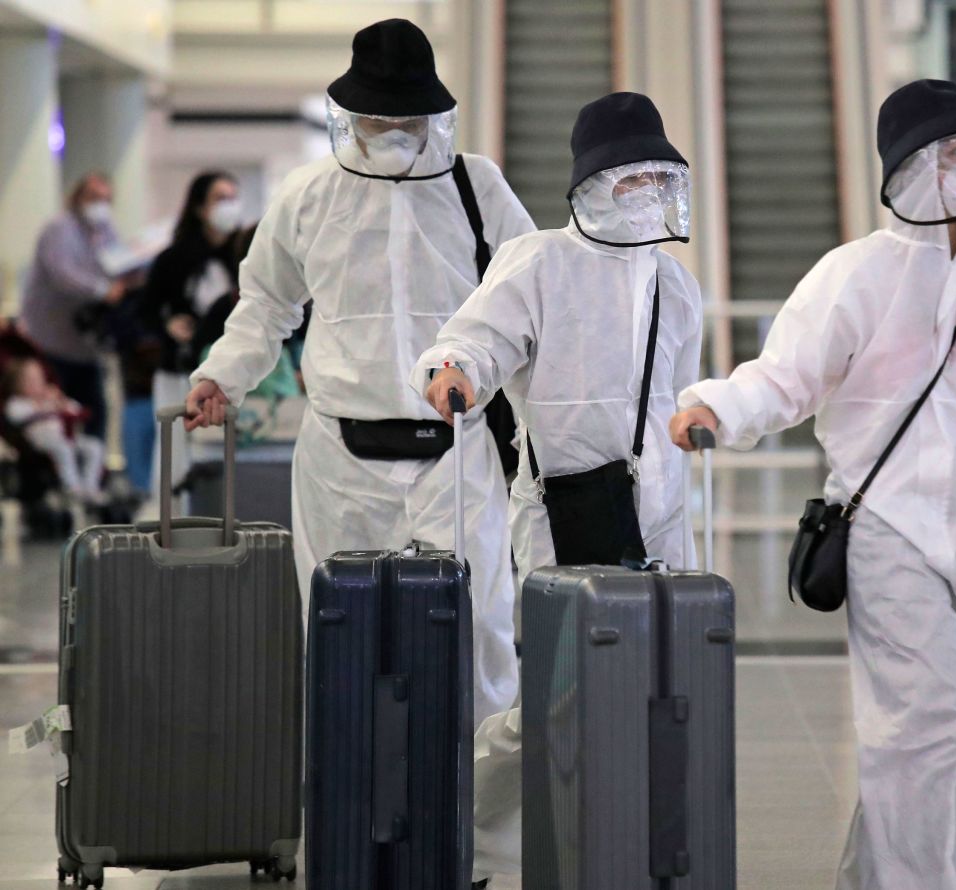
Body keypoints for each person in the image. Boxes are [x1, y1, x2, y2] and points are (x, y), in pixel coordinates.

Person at [669, 79, 956, 890]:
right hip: (886, 529)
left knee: (950, 733)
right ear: (915, 169)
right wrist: (714, 408)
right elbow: (786, 376)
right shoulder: (854, 276)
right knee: (922, 732)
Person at [183, 19, 534, 740]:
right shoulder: (310, 193)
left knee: (479, 631)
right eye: (378, 116)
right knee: (339, 633)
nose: (392, 130)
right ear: (352, 113)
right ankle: (345, 814)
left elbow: (524, 300)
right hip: (341, 455)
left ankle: (482, 829)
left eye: (406, 117)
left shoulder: (478, 186)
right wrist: (224, 376)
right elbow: (268, 303)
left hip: (456, 452)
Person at [419, 91, 703, 886]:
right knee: (559, 700)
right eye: (630, 178)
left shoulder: (676, 286)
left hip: (662, 518)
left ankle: (631, 848)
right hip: (561, 515)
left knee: (659, 693)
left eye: (658, 177)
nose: (647, 192)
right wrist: (455, 375)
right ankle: (465, 810)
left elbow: (676, 402)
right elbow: (472, 339)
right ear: (590, 184)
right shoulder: (539, 262)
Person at [141, 170, 243, 502]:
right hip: (179, 369)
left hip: (226, 371)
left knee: (224, 451)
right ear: (200, 208)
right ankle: (172, 525)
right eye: (220, 198)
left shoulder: (243, 258)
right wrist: (168, 325)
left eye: (233, 198)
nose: (229, 206)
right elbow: (145, 311)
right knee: (175, 449)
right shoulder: (173, 259)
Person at [20, 172, 131, 459]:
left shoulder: (105, 230)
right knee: (53, 420)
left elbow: (117, 263)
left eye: (106, 199)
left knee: (95, 414)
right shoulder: (60, 229)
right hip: (51, 344)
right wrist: (103, 290)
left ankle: (94, 480)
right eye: (94, 198)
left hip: (86, 348)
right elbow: (64, 275)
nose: (101, 205)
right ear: (77, 198)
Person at [2, 357, 104, 504]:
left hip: (66, 436)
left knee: (94, 446)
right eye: (29, 380)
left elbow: (76, 410)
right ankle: (71, 486)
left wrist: (60, 402)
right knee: (63, 447)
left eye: (38, 378)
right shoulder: (18, 402)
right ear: (18, 384)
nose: (35, 384)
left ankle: (90, 487)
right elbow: (15, 415)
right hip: (39, 440)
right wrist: (40, 406)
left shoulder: (52, 397)